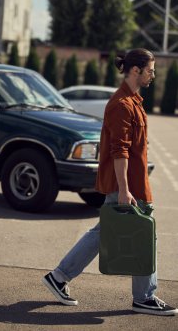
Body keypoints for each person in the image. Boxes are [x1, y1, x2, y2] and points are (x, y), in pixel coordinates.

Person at [42, 48, 178, 316]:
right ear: (136, 70)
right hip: (127, 186)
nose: (153, 74)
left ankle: (59, 277)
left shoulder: (134, 101)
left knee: (108, 233)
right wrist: (125, 190)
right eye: (150, 70)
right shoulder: (121, 105)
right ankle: (144, 297)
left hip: (135, 183)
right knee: (144, 235)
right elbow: (120, 151)